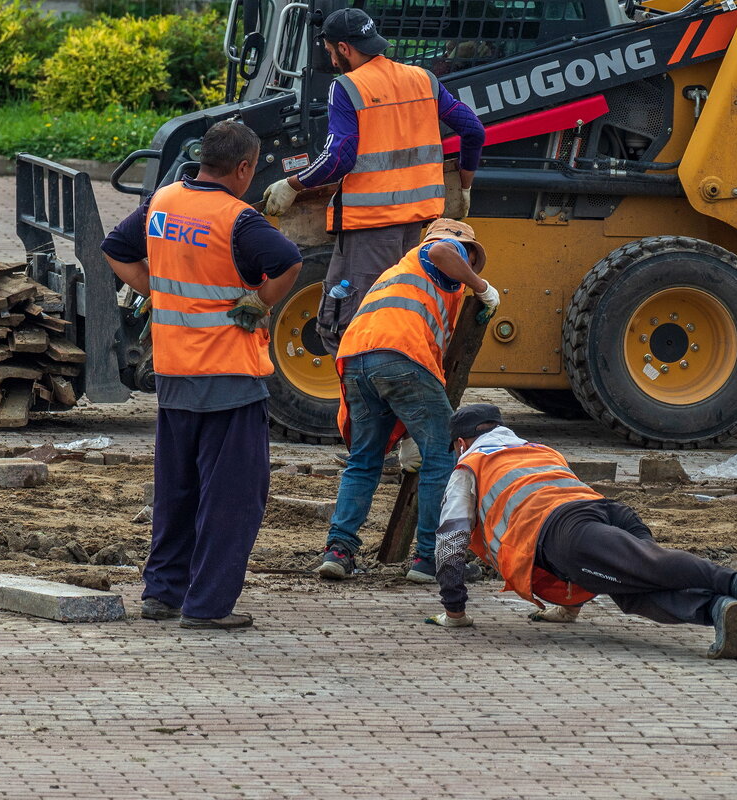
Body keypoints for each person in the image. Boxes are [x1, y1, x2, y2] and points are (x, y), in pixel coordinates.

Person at [101, 120, 302, 630]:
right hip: (230, 378)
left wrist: (159, 291)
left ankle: (163, 593)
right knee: (232, 497)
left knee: (177, 490)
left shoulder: (164, 202)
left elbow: (115, 249)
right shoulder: (239, 219)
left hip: (173, 373)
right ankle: (209, 605)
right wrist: (258, 301)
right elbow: (289, 263)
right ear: (242, 168)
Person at [425, 404, 737, 660]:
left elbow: (450, 542)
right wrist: (566, 607)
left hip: (566, 531)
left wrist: (454, 611)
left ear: (460, 443)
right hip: (607, 512)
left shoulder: (469, 465)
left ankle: (733, 582)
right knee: (633, 588)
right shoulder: (537, 450)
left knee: (650, 567)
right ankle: (720, 610)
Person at [262, 6, 486, 357]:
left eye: (331, 51)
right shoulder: (423, 79)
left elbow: (339, 157)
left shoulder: (348, 88)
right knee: (398, 319)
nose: (332, 60)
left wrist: (293, 185)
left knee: (349, 327)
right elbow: (473, 130)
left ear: (345, 48)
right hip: (415, 229)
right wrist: (465, 184)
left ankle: (359, 408)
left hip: (369, 229)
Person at [316, 219, 499, 583]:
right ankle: (431, 558)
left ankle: (338, 551)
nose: (468, 266)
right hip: (399, 355)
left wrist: (411, 432)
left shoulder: (403, 274)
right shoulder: (440, 250)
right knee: (441, 455)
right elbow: (444, 251)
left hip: (356, 358)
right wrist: (482, 286)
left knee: (364, 461)